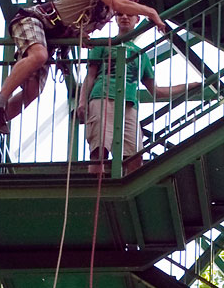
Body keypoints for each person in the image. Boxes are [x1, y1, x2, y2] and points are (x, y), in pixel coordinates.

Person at [0, 0, 168, 156]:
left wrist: (79, 36)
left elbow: (83, 22)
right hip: (34, 20)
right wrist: (150, 12)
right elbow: (117, 3)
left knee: (33, 91)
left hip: (50, 40)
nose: (124, 3)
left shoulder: (104, 12)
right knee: (38, 56)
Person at [76, 12, 201, 174]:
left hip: (129, 105)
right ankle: (95, 183)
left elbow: (156, 91)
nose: (124, 17)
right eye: (120, 14)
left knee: (134, 154)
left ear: (137, 20)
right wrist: (82, 101)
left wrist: (189, 86)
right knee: (99, 149)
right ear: (115, 19)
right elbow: (90, 75)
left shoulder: (141, 54)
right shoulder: (103, 44)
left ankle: (127, 184)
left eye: (130, 14)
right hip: (102, 97)